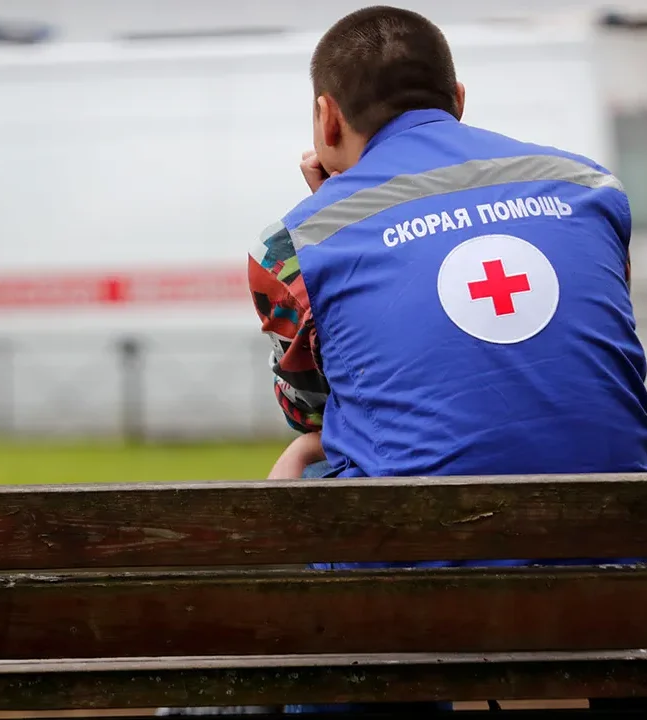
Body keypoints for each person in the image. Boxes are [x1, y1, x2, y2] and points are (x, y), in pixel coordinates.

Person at [248, 5, 647, 714]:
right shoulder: (591, 190)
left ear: (325, 118)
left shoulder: (295, 244)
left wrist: (335, 209)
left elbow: (311, 411)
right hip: (620, 561)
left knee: (318, 492)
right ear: (457, 101)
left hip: (420, 587)